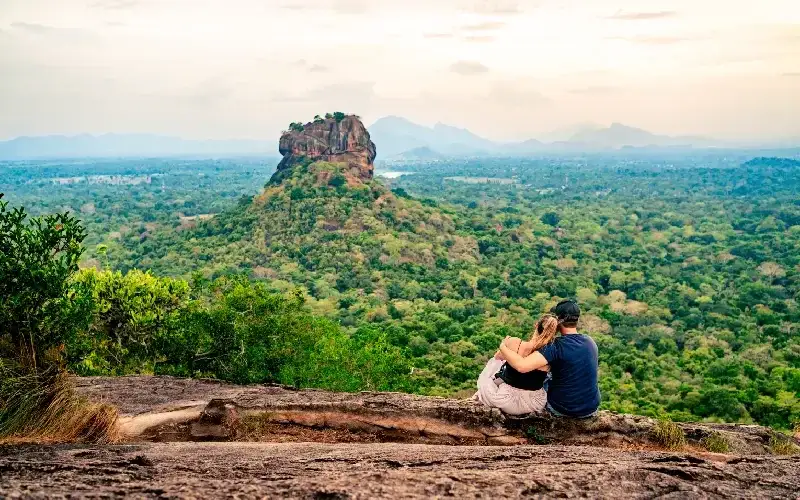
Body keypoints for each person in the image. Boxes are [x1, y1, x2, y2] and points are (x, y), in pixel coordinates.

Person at [498, 300, 600, 419]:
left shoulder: (555, 346)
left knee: (540, 375)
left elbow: (522, 366)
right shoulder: (590, 342)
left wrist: (502, 347)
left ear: (558, 320)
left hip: (563, 409)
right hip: (591, 408)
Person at [474, 314, 559, 415]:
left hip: (505, 400)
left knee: (496, 365)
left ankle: (495, 383)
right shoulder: (550, 353)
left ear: (536, 325)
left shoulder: (513, 342)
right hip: (533, 403)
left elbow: (497, 357)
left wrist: (503, 346)